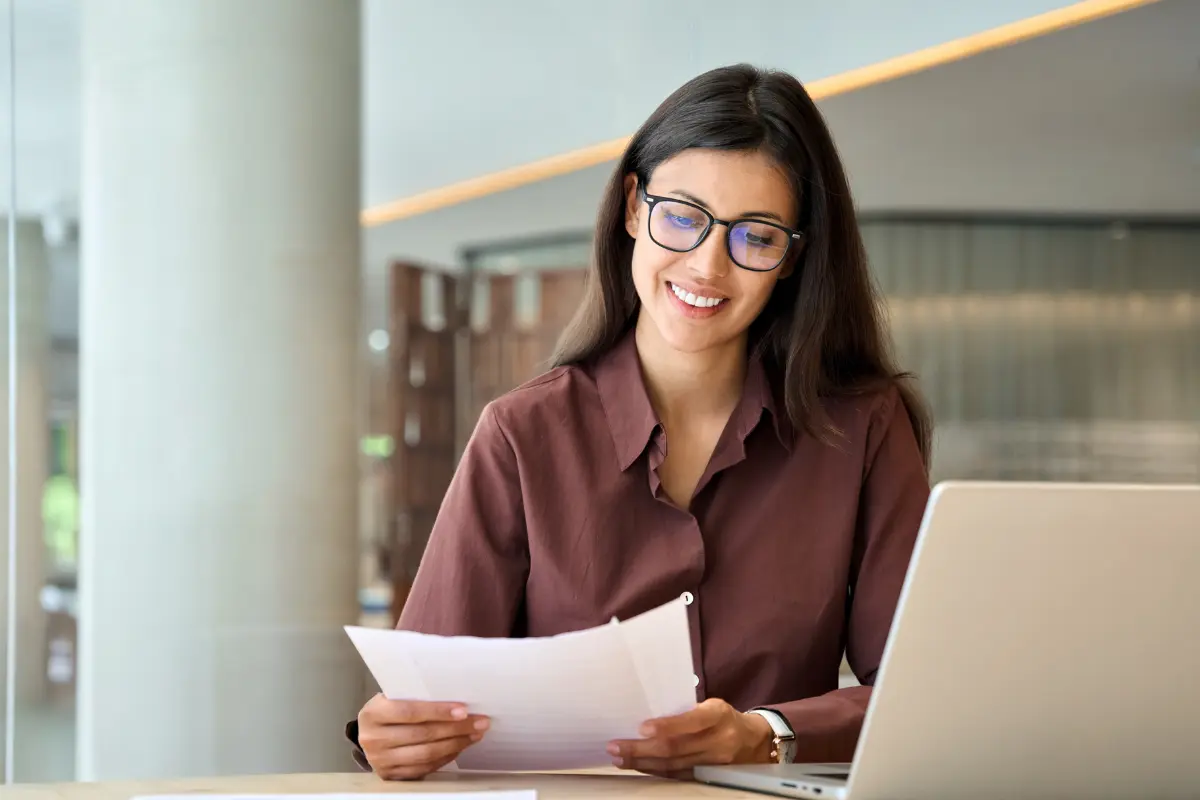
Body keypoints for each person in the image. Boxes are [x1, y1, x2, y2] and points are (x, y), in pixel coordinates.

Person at [349, 62, 932, 782]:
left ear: (793, 258)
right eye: (683, 218)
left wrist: (766, 732)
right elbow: (426, 695)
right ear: (633, 207)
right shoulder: (523, 435)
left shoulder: (862, 430)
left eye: (757, 235)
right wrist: (394, 731)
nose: (708, 266)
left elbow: (920, 696)